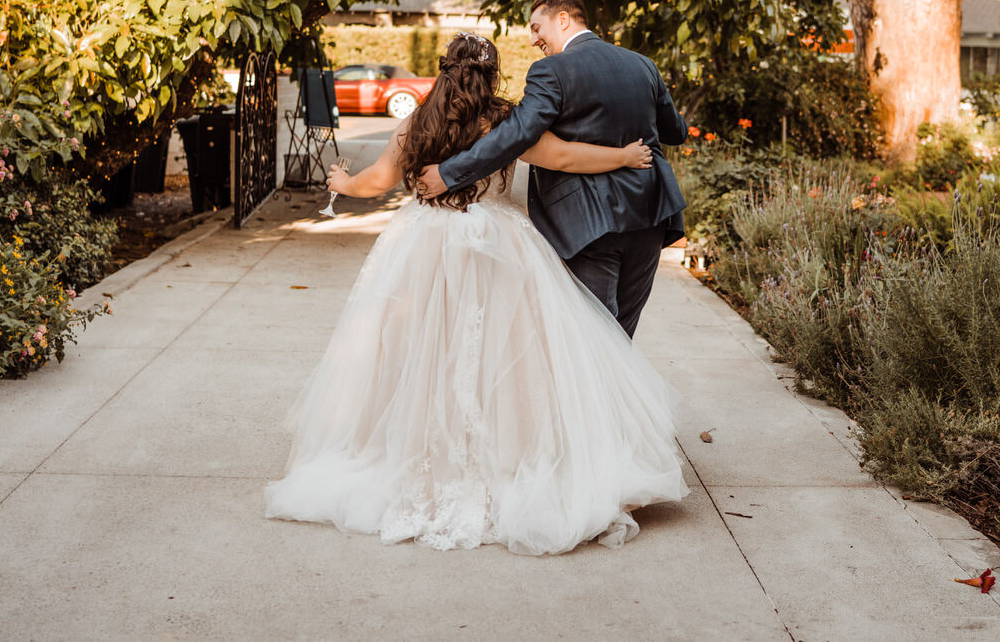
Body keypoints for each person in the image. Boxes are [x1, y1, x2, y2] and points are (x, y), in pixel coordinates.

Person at [264, 32, 688, 555]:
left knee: (420, 353)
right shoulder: (507, 120)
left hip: (425, 241)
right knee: (507, 358)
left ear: (444, 69)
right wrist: (623, 156)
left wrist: (342, 181)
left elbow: (377, 179)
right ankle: (508, 457)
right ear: (492, 76)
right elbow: (566, 156)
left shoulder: (420, 119)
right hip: (501, 243)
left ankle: (418, 459)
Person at [417, 0, 688, 339]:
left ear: (563, 19)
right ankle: (614, 396)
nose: (533, 40)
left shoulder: (552, 70)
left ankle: (598, 395)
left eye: (536, 28)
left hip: (590, 222)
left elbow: (517, 134)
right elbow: (676, 132)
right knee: (620, 339)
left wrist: (449, 173)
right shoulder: (642, 64)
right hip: (650, 216)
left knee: (592, 338)